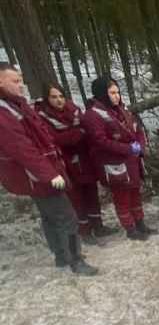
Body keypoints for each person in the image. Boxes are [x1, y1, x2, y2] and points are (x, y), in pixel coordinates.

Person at [0, 63, 98, 275]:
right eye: (15, 81)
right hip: (36, 175)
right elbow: (23, 149)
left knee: (50, 216)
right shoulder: (3, 113)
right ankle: (75, 260)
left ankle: (61, 256)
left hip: (40, 172)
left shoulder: (16, 105)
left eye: (21, 80)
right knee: (67, 216)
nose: (21, 85)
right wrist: (50, 175)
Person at [35, 82, 113, 244]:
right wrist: (78, 132)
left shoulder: (74, 110)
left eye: (61, 96)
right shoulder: (43, 116)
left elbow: (87, 128)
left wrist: (79, 133)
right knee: (76, 197)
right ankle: (84, 231)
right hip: (66, 162)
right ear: (47, 99)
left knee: (91, 192)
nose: (59, 100)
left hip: (85, 158)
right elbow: (56, 139)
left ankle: (98, 225)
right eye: (54, 97)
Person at [83, 76, 157, 241]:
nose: (117, 96)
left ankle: (140, 223)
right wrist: (128, 148)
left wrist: (140, 145)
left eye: (118, 92)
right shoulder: (92, 115)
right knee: (122, 197)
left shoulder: (123, 110)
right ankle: (130, 228)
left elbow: (137, 129)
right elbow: (100, 141)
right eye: (112, 92)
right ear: (102, 93)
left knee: (135, 193)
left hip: (132, 160)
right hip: (114, 163)